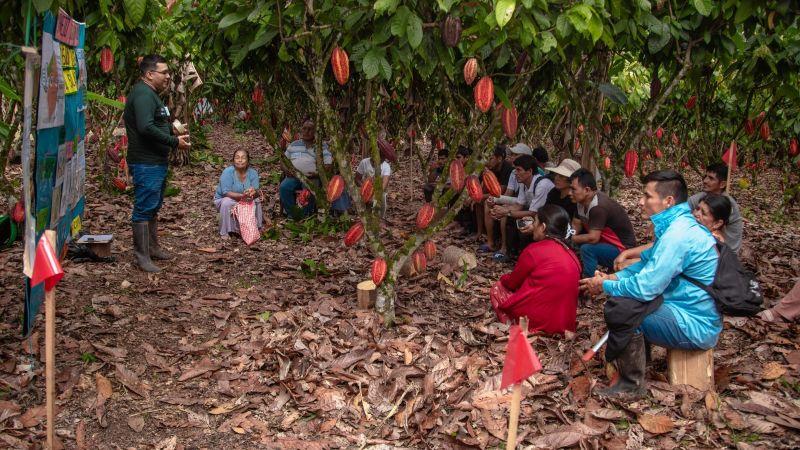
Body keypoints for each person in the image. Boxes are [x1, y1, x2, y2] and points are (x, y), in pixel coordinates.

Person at [580, 170, 721, 398]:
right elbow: (646, 265)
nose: (641, 201)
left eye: (647, 196)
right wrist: (610, 279)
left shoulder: (678, 235)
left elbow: (646, 288)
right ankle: (637, 367)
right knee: (625, 302)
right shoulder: (675, 226)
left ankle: (631, 385)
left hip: (694, 323)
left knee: (622, 310)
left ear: (668, 201)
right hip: (679, 307)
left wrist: (605, 286)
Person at [124, 54, 191, 273]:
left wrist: (172, 129)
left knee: (153, 206)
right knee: (144, 208)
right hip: (146, 162)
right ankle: (142, 256)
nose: (168, 76)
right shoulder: (143, 94)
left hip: (155, 161)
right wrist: (173, 141)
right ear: (149, 74)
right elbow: (145, 127)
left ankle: (152, 248)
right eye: (164, 72)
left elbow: (154, 123)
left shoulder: (151, 95)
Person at [614, 162, 745, 271]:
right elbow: (678, 209)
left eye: (711, 178)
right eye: (696, 210)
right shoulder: (700, 200)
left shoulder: (708, 235)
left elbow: (661, 266)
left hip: (724, 257)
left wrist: (628, 264)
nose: (705, 181)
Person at [491, 205, 581, 334]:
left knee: (497, 288)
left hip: (536, 322)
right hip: (565, 325)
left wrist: (503, 279)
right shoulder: (572, 254)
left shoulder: (534, 250)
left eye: (535, 222)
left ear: (543, 227)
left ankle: (516, 325)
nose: (533, 226)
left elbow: (512, 283)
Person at [569, 168, 636, 278]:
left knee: (587, 249)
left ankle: (587, 282)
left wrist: (568, 238)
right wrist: (569, 237)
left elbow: (593, 238)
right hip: (607, 244)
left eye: (573, 189)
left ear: (587, 190)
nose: (569, 193)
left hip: (623, 249)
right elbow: (576, 225)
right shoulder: (580, 201)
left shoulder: (598, 207)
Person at [488, 155, 554, 262]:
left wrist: (507, 212)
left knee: (525, 223)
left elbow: (533, 213)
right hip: (536, 214)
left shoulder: (542, 185)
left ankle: (525, 257)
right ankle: (510, 253)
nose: (515, 173)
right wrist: (501, 211)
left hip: (547, 217)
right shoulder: (524, 183)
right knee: (511, 220)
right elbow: (519, 205)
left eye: (518, 170)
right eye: (515, 170)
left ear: (529, 171)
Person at [278, 119, 349, 219]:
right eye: (304, 128)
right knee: (284, 187)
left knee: (310, 191)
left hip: (312, 177)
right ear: (301, 130)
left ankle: (304, 215)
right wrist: (286, 170)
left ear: (316, 132)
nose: (306, 131)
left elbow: (328, 166)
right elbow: (283, 161)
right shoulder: (294, 145)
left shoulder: (322, 146)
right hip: (293, 176)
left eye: (310, 129)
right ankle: (292, 214)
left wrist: (317, 174)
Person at [688, 163, 743, 252]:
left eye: (711, 178)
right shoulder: (700, 197)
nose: (705, 181)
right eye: (705, 176)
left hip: (725, 250)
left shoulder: (728, 204)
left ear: (722, 184)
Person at [214, 150, 262, 240]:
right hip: (226, 199)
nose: (240, 160)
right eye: (237, 157)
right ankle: (225, 231)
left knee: (256, 201)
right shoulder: (228, 172)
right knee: (227, 202)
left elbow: (256, 191)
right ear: (233, 160)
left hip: (244, 198)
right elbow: (226, 192)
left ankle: (256, 228)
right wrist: (242, 196)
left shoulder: (253, 173)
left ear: (248, 161)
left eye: (243, 157)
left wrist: (252, 193)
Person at [476, 145, 514, 242]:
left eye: (491, 158)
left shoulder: (508, 169)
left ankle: (491, 241)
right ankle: (479, 233)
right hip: (497, 197)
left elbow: (499, 192)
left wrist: (480, 196)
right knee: (477, 202)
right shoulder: (489, 168)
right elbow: (482, 187)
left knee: (486, 203)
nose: (487, 161)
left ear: (500, 158)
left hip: (506, 197)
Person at [355, 143, 395, 216]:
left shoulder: (386, 167)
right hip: (364, 188)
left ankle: (380, 218)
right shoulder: (364, 162)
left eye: (383, 157)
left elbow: (384, 185)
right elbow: (357, 179)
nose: (382, 159)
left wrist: (373, 195)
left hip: (378, 191)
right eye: (380, 156)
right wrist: (365, 188)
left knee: (381, 200)